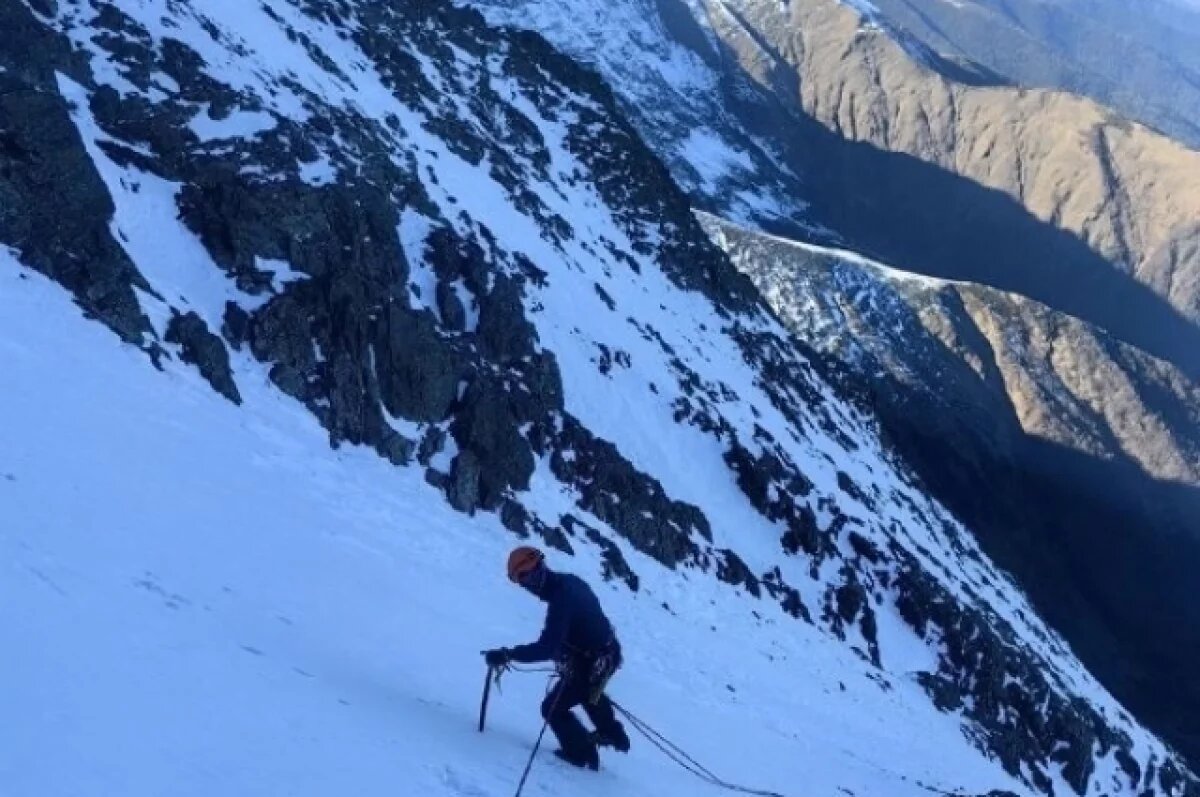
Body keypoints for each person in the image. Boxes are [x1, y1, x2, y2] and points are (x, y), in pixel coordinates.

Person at [484, 546, 631, 770]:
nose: (529, 584)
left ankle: (583, 754)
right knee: (586, 692)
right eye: (523, 581)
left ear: (541, 568)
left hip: (592, 659)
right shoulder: (568, 583)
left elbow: (547, 648)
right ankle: (610, 734)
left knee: (553, 707)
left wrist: (508, 654)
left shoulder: (563, 597)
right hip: (600, 654)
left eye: (530, 576)